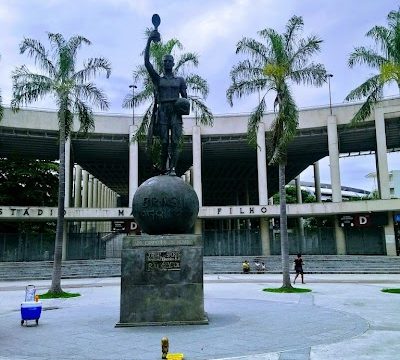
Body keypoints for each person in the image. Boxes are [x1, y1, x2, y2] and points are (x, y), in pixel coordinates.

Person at [144, 29, 189, 176]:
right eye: (165, 61)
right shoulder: (159, 80)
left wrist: (182, 106)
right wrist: (149, 40)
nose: (168, 63)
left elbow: (185, 99)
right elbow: (147, 63)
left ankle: (173, 169)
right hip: (163, 111)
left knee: (175, 142)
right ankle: (163, 168)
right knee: (164, 143)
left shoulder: (180, 80)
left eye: (170, 61)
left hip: (175, 112)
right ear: (163, 64)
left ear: (173, 63)